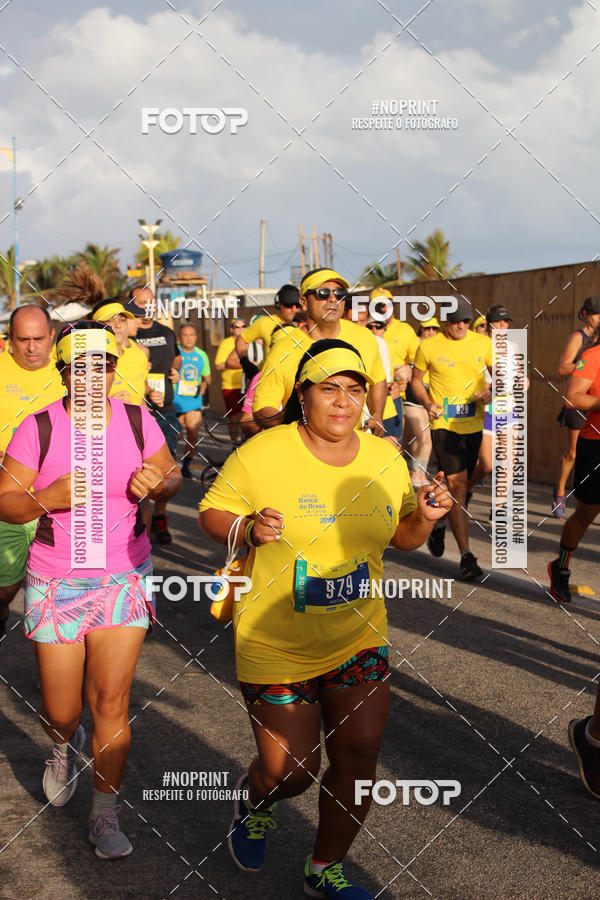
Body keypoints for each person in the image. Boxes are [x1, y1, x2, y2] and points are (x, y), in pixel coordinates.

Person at [199, 338, 451, 899]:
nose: (342, 401)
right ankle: (255, 797)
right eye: (329, 388)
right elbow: (211, 511)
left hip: (358, 637)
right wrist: (247, 529)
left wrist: (427, 517)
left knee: (359, 756)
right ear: (303, 396)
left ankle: (324, 868)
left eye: (354, 390)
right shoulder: (264, 452)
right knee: (290, 771)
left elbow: (402, 536)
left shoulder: (384, 458)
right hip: (275, 641)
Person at [0, 320, 181, 858]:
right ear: (64, 371)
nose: (91, 375)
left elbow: (171, 475)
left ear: (111, 370)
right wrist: (46, 497)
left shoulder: (136, 419)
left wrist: (161, 483)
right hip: (55, 578)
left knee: (111, 700)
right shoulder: (38, 428)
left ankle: (105, 813)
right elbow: (6, 502)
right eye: (80, 366)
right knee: (62, 710)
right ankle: (62, 746)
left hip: (122, 575)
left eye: (101, 365)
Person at [411, 295, 493, 580]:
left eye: (466, 321)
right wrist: (426, 401)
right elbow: (416, 380)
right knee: (458, 488)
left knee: (473, 479)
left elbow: (502, 377)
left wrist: (491, 393)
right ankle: (467, 557)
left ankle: (440, 526)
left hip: (474, 424)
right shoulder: (429, 346)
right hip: (444, 425)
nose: (461, 325)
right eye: (456, 320)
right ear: (446, 320)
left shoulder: (483, 343)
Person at [253, 269, 387, 435]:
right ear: (303, 302)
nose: (333, 299)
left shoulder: (364, 337)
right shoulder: (284, 348)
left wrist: (377, 415)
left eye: (340, 293)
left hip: (352, 446)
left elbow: (378, 380)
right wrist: (293, 424)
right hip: (304, 450)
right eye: (322, 293)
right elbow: (261, 407)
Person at [0, 305, 65, 644]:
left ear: (51, 336)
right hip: (8, 494)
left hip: (62, 497)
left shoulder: (69, 371)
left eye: (39, 339)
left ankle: (56, 664)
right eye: (22, 339)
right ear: (8, 339)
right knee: (5, 586)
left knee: (57, 589)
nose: (31, 347)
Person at [548, 340, 600, 604]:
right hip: (595, 444)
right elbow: (573, 398)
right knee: (586, 513)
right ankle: (561, 568)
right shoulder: (592, 356)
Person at [133, 286, 181, 544]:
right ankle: (141, 526)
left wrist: (175, 371)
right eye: (140, 303)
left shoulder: (166, 332)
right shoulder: (129, 335)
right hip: (138, 412)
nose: (145, 308)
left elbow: (177, 358)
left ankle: (160, 518)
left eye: (149, 303)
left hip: (165, 410)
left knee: (165, 468)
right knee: (140, 470)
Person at [552, 296, 600, 518]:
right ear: (585, 314)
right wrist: (585, 367)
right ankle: (560, 493)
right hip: (580, 401)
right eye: (595, 313)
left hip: (594, 401)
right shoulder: (579, 336)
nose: (598, 317)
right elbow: (563, 368)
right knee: (573, 452)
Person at [466, 305, 515, 505]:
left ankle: (499, 507)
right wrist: (486, 389)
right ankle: (468, 486)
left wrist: (523, 380)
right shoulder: (480, 346)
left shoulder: (511, 347)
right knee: (486, 464)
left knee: (509, 462)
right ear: (489, 324)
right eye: (499, 322)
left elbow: (516, 374)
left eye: (507, 322)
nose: (503, 326)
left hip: (508, 408)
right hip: (487, 411)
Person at [402, 317, 439, 487]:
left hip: (431, 398)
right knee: (420, 436)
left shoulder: (439, 346)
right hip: (412, 397)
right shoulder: (415, 345)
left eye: (434, 329)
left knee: (420, 439)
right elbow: (404, 365)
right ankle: (413, 473)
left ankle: (418, 472)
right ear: (421, 330)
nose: (431, 332)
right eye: (427, 328)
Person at [234, 284, 302, 377]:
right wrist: (244, 362)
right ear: (279, 304)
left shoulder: (306, 325)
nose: (294, 309)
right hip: (271, 381)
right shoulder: (264, 322)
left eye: (297, 305)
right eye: (288, 305)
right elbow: (241, 340)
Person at [91, 298, 149, 405]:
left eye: (122, 320)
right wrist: (108, 403)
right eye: (109, 320)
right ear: (96, 327)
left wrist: (144, 410)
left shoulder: (139, 356)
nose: (118, 325)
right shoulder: (85, 363)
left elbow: (143, 393)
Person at [174, 323, 210, 478]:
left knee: (193, 435)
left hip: (193, 400)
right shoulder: (174, 352)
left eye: (191, 335)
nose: (188, 338)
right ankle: (171, 462)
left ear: (196, 337)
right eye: (185, 335)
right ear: (179, 338)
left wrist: (204, 384)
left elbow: (208, 378)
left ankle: (186, 466)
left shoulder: (202, 355)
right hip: (175, 400)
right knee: (175, 435)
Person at [215, 319, 245, 441]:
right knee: (234, 417)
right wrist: (239, 365)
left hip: (247, 385)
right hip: (231, 386)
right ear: (231, 329)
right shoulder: (226, 343)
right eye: (237, 327)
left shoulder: (250, 342)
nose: (240, 328)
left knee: (246, 416)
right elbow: (219, 365)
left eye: (243, 326)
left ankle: (245, 441)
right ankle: (234, 443)